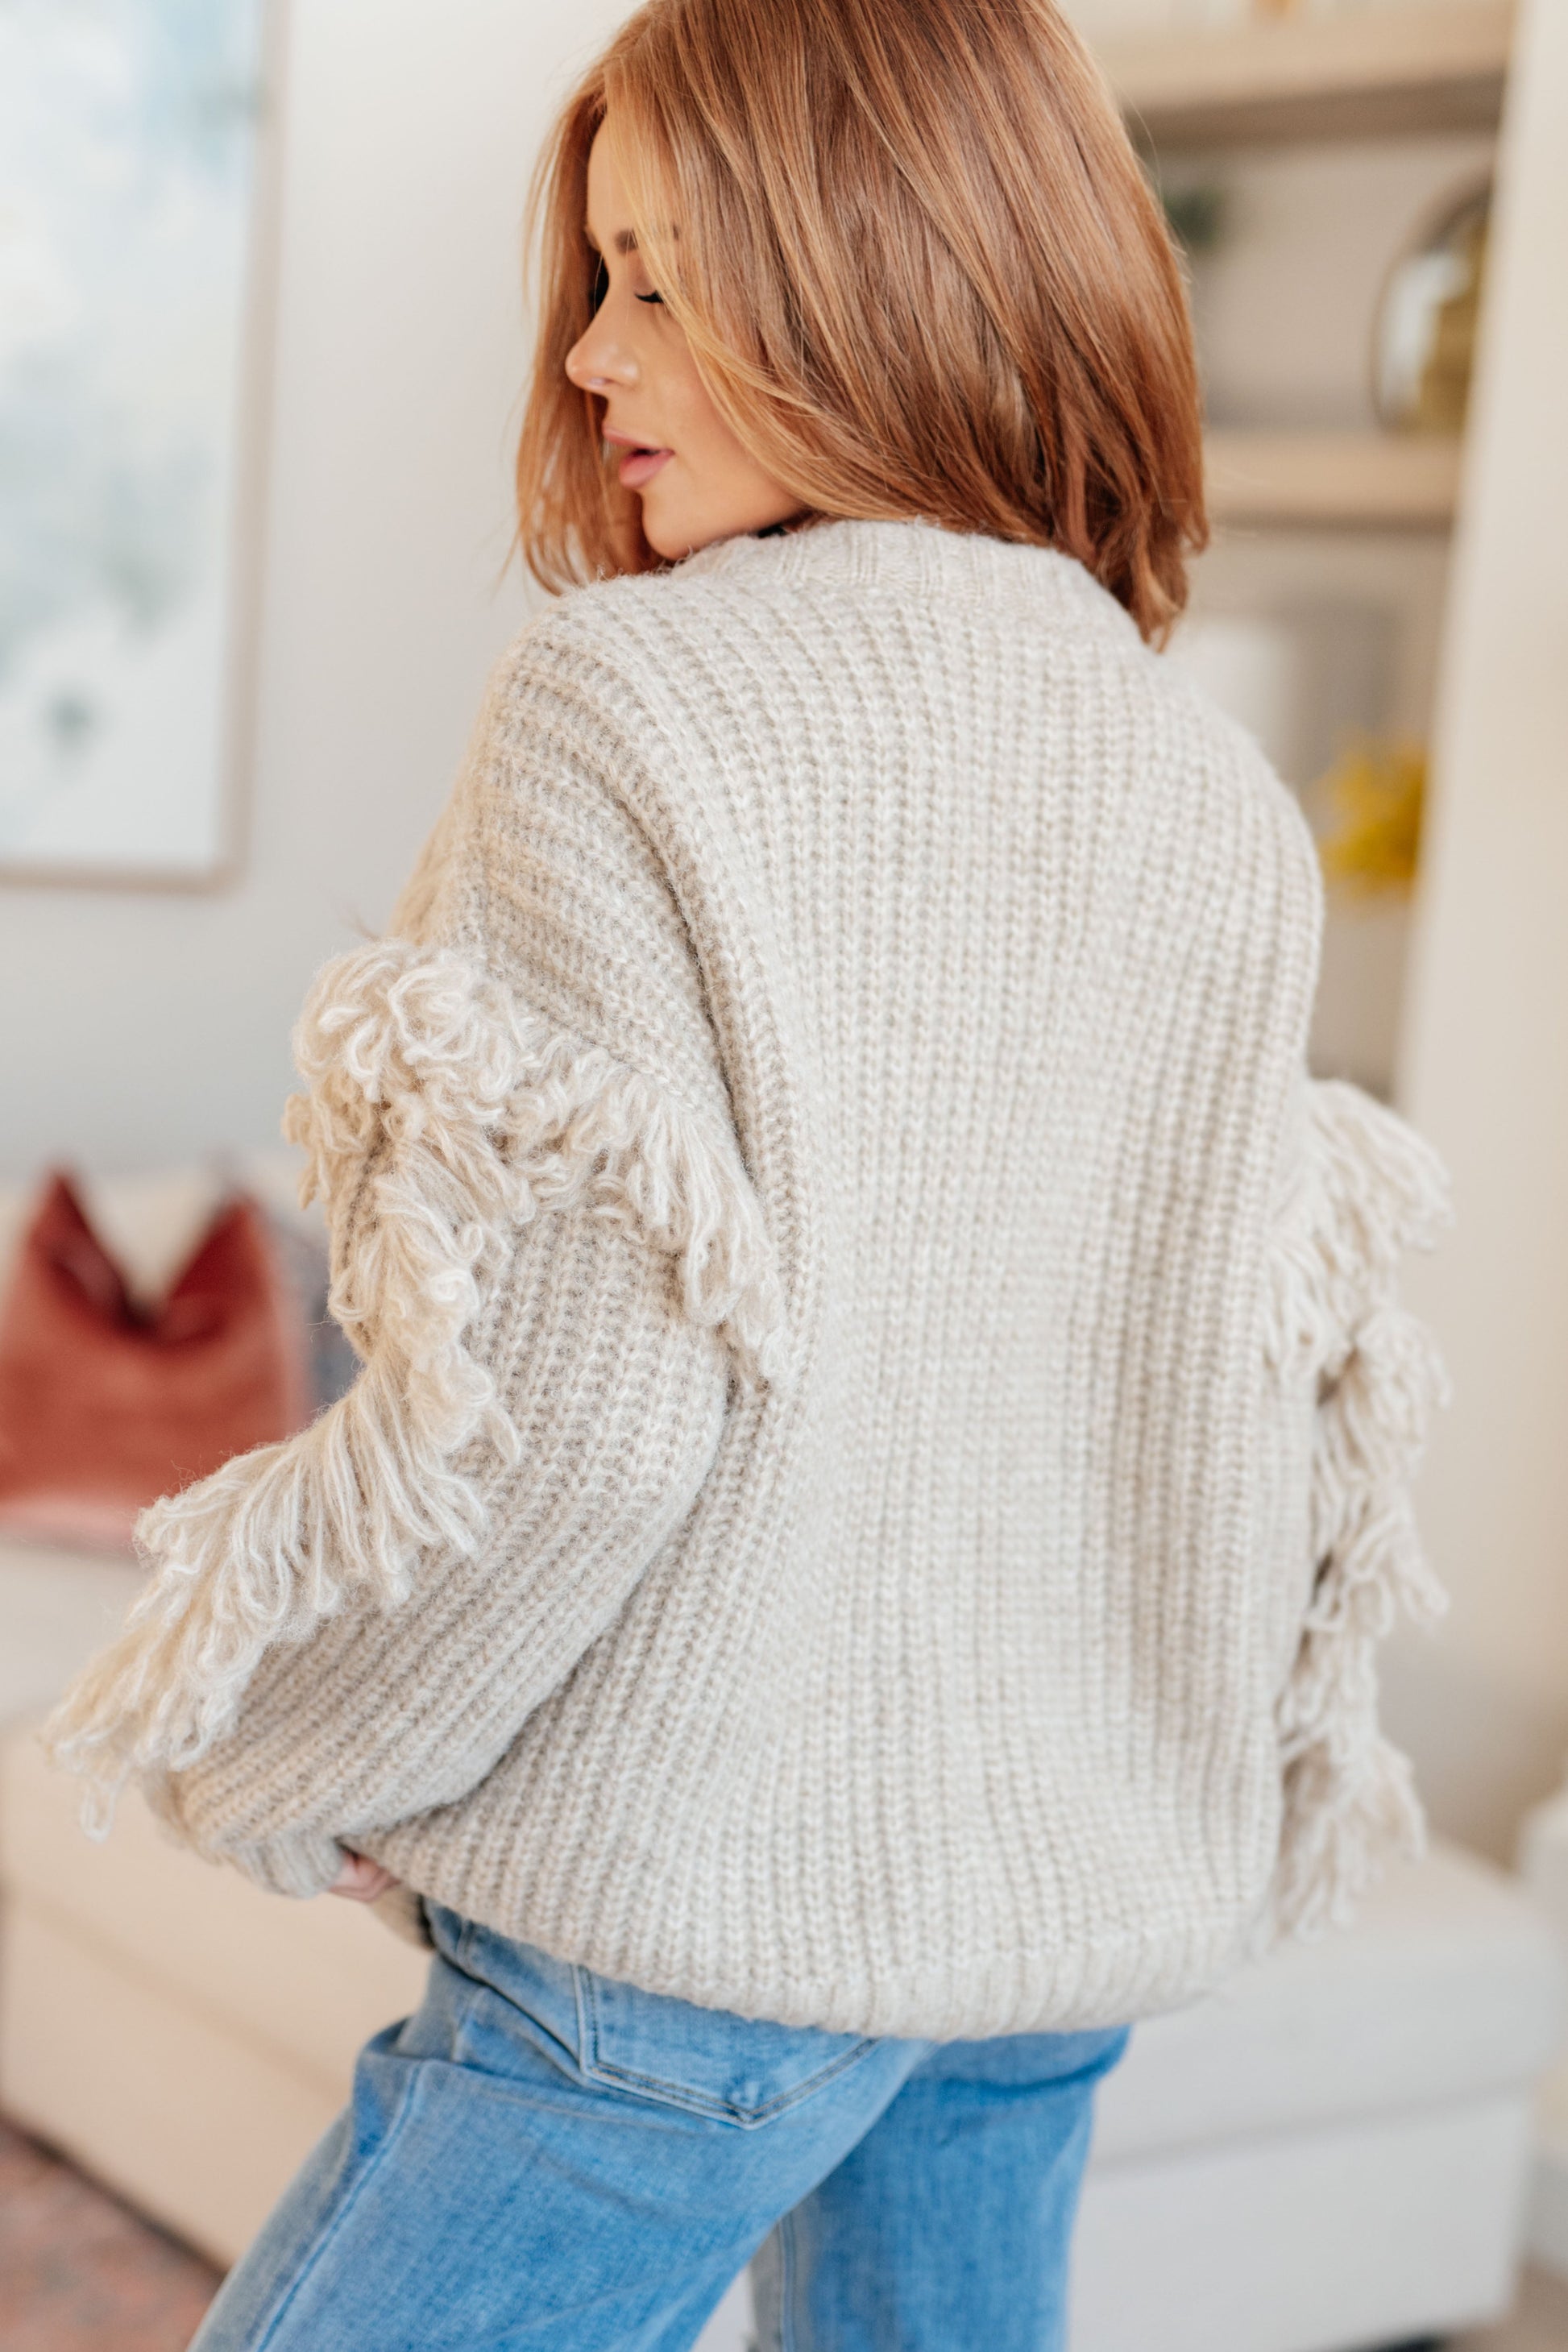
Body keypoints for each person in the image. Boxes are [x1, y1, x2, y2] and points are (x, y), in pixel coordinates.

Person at [46, 1, 1450, 2344]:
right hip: (1041, 1937)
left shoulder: (630, 706)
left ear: (877, 276)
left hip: (684, 1935)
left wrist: (314, 1753)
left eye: (662, 283)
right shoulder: (1204, 786)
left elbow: (580, 1412)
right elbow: (1223, 1404)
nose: (591, 354)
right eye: (599, 276)